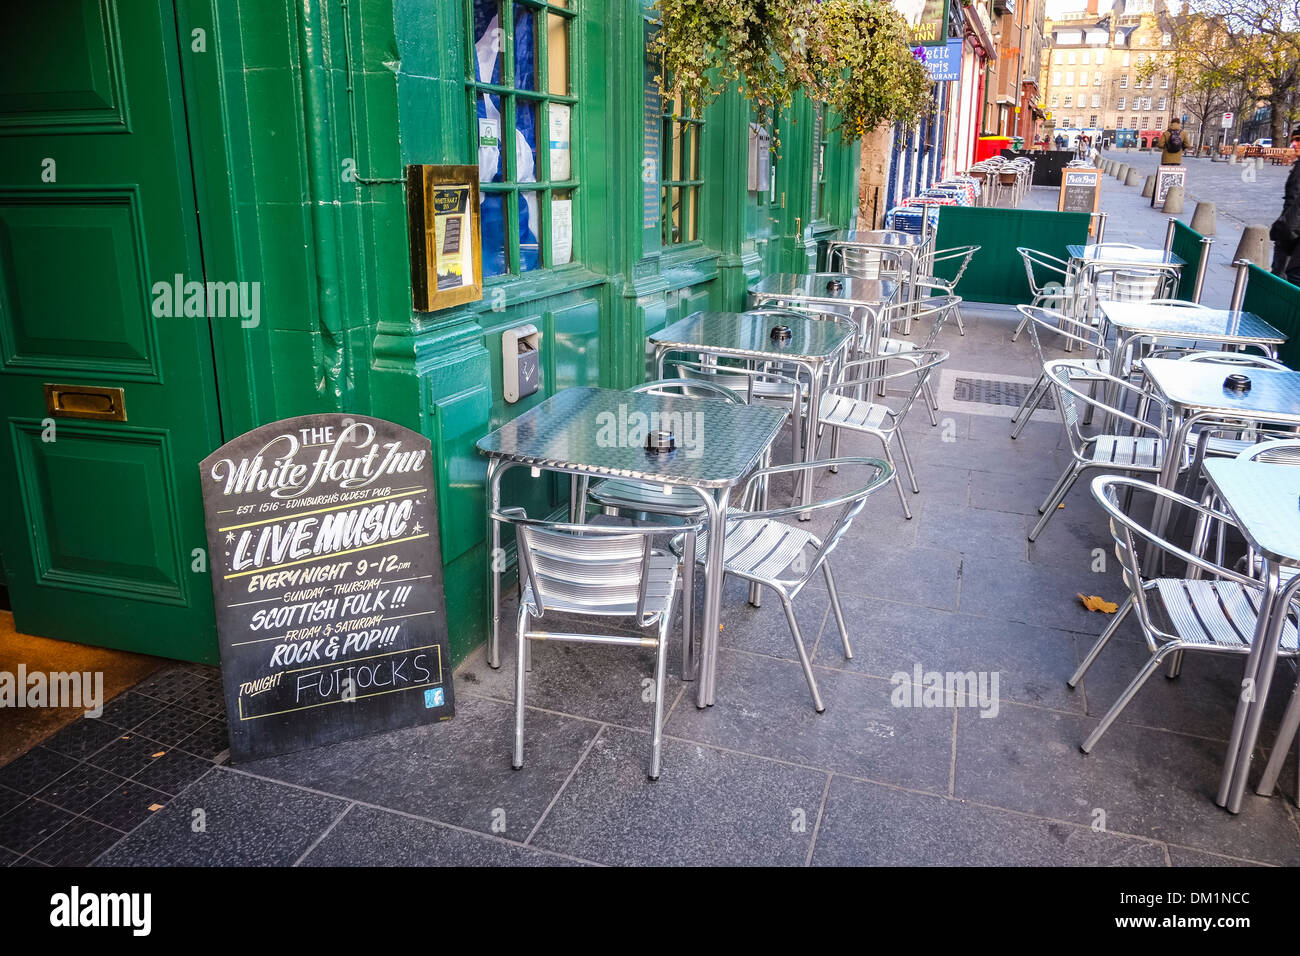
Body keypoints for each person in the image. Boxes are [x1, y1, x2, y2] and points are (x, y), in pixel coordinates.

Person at [1270, 129, 1300, 284]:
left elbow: (1294, 214)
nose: (1294, 143)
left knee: (1283, 291)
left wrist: (1282, 232)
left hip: (1293, 252)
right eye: (1294, 139)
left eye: (1298, 140)